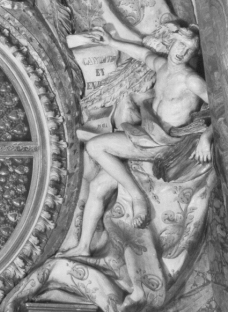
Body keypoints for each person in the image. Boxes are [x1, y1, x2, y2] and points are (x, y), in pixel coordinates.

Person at [60, 25, 213, 259]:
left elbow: (223, 108)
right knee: (98, 186)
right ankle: (83, 247)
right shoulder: (163, 67)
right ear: (172, 43)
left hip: (165, 144)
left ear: (193, 54)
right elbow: (143, 54)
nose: (181, 52)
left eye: (188, 50)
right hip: (147, 135)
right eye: (180, 45)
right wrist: (111, 42)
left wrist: (206, 136)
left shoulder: (191, 80)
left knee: (94, 146)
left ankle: (136, 196)